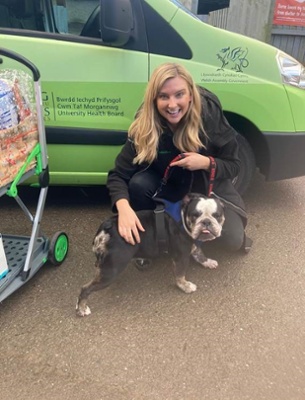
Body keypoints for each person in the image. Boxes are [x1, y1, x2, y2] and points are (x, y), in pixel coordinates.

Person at [107, 62, 251, 265]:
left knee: (233, 240)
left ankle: (187, 236)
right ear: (154, 99)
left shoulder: (208, 113)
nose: (172, 105)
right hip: (165, 184)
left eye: (179, 95)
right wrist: (124, 209)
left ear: (191, 95)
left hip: (205, 186)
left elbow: (234, 165)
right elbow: (118, 175)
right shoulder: (145, 124)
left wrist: (206, 163)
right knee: (138, 184)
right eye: (164, 96)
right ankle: (149, 241)